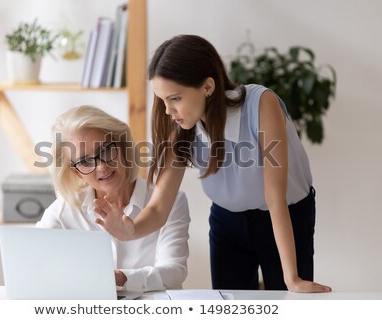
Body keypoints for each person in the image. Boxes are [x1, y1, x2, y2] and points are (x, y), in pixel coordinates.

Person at [94, 34, 332, 293]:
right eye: (162, 100)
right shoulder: (182, 127)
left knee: (289, 303)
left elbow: (275, 197)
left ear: (208, 87)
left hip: (285, 215)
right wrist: (129, 230)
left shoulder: (261, 104)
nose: (167, 110)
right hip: (227, 222)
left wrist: (292, 278)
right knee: (227, 306)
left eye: (175, 98)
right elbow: (160, 207)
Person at [36, 105, 190, 292]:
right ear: (76, 172)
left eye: (106, 150)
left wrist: (124, 278)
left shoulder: (171, 202)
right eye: (85, 161)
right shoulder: (62, 213)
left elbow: (174, 272)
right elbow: (35, 268)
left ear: (122, 145)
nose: (101, 167)